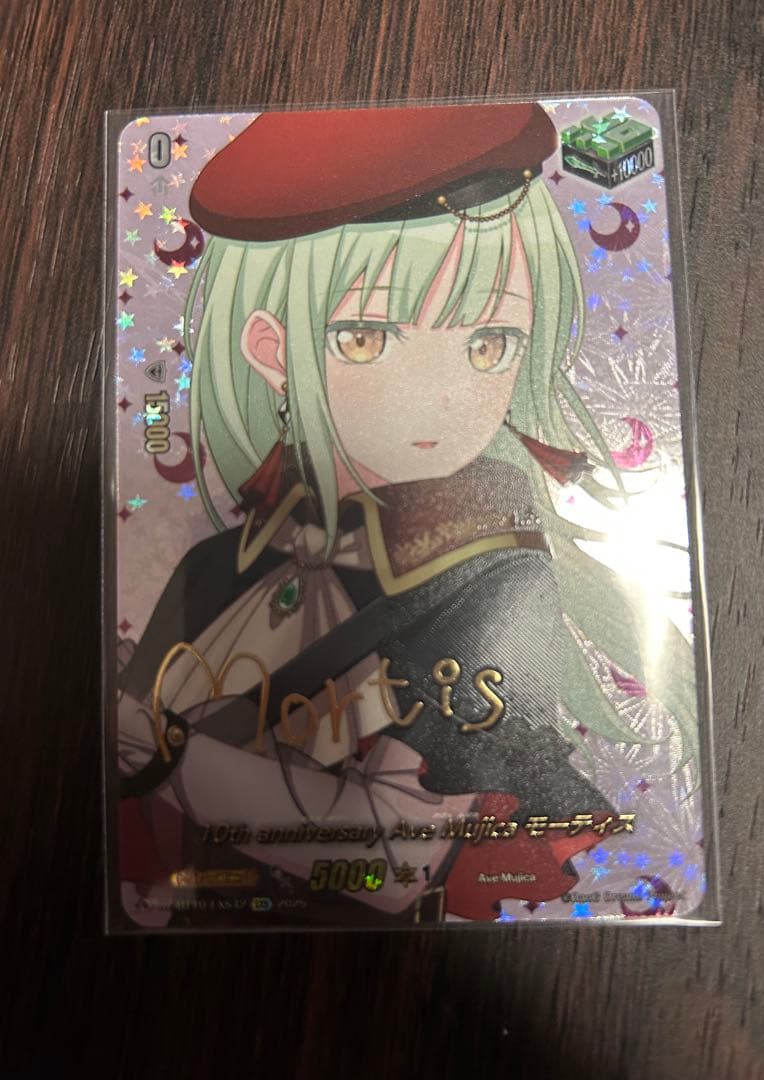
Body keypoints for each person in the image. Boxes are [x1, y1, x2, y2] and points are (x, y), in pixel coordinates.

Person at [115, 102, 698, 926]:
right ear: (272, 351)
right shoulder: (213, 568)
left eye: (488, 343)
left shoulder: (494, 573)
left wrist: (162, 751)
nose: (439, 395)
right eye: (365, 337)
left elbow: (398, 859)